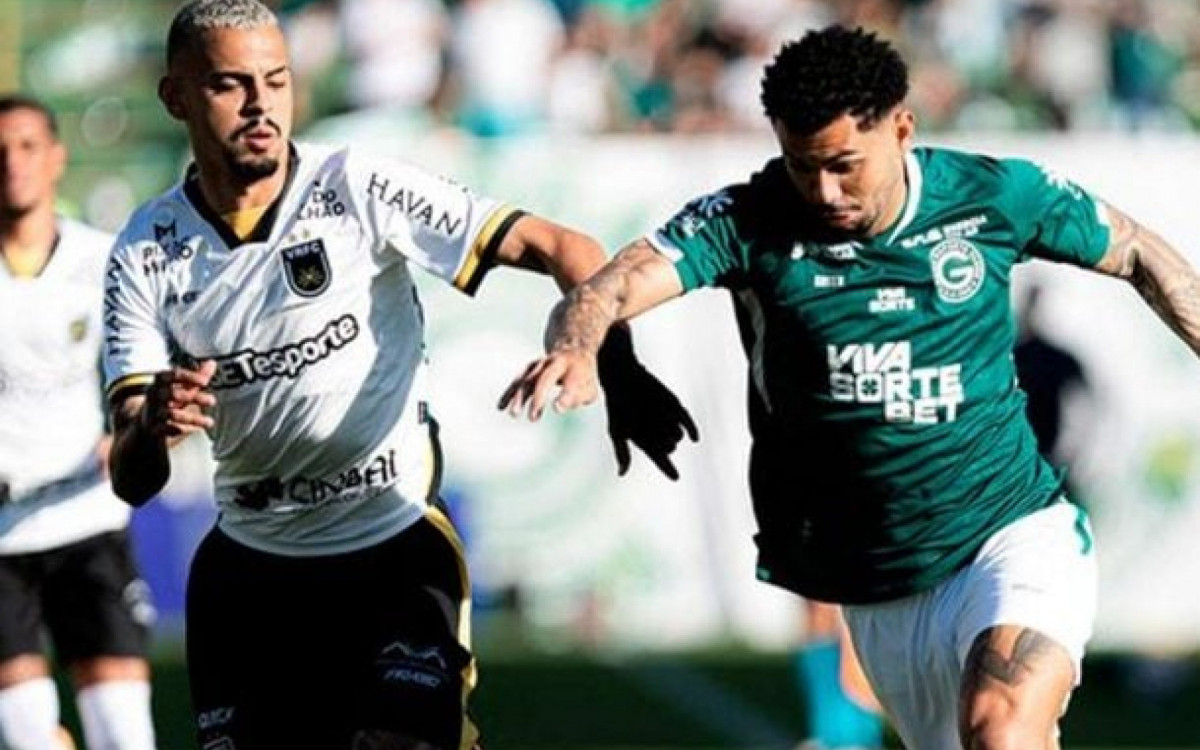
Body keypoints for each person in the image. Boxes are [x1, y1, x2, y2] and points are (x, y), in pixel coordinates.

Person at [502, 24, 1200, 750]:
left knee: (1001, 728)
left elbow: (1137, 251)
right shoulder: (745, 220)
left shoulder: (991, 197)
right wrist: (579, 348)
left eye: (843, 165)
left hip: (1009, 534)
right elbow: (612, 283)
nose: (825, 191)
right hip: (874, 587)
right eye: (802, 166)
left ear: (901, 129)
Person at [100, 2, 693, 749]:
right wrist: (153, 425)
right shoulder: (144, 250)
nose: (260, 105)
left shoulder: (356, 185)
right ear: (176, 97)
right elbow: (132, 477)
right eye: (230, 84)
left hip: (393, 549)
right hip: (250, 575)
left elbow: (563, 245)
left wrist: (614, 362)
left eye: (276, 81)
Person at [0, 94, 157, 750]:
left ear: (57, 157)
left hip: (87, 519)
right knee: (25, 737)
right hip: (3, 535)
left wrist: (131, 431)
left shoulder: (101, 260)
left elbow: (159, 362)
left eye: (27, 146)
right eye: (0, 149)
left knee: (124, 734)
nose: (12, 162)